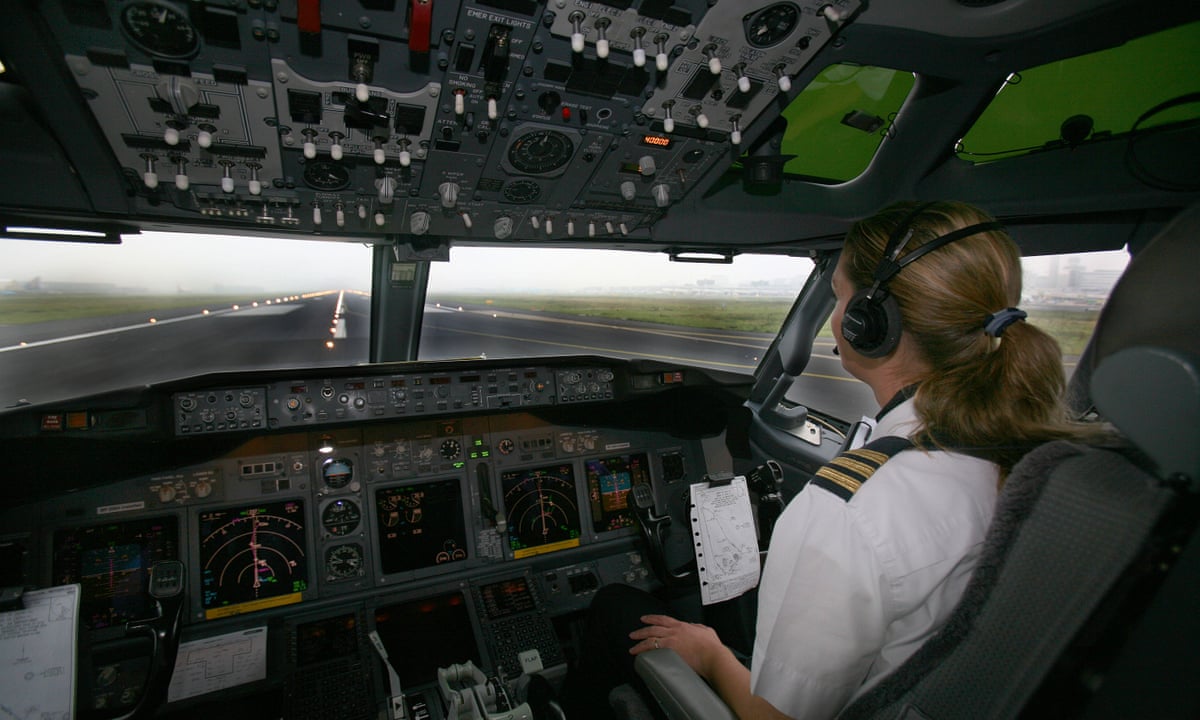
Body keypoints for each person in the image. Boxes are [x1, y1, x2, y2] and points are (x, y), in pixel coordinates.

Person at [563, 200, 1098, 720]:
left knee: (614, 607)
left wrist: (709, 654)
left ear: (871, 321)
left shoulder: (848, 511)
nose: (836, 316)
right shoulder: (1052, 464)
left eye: (840, 297)